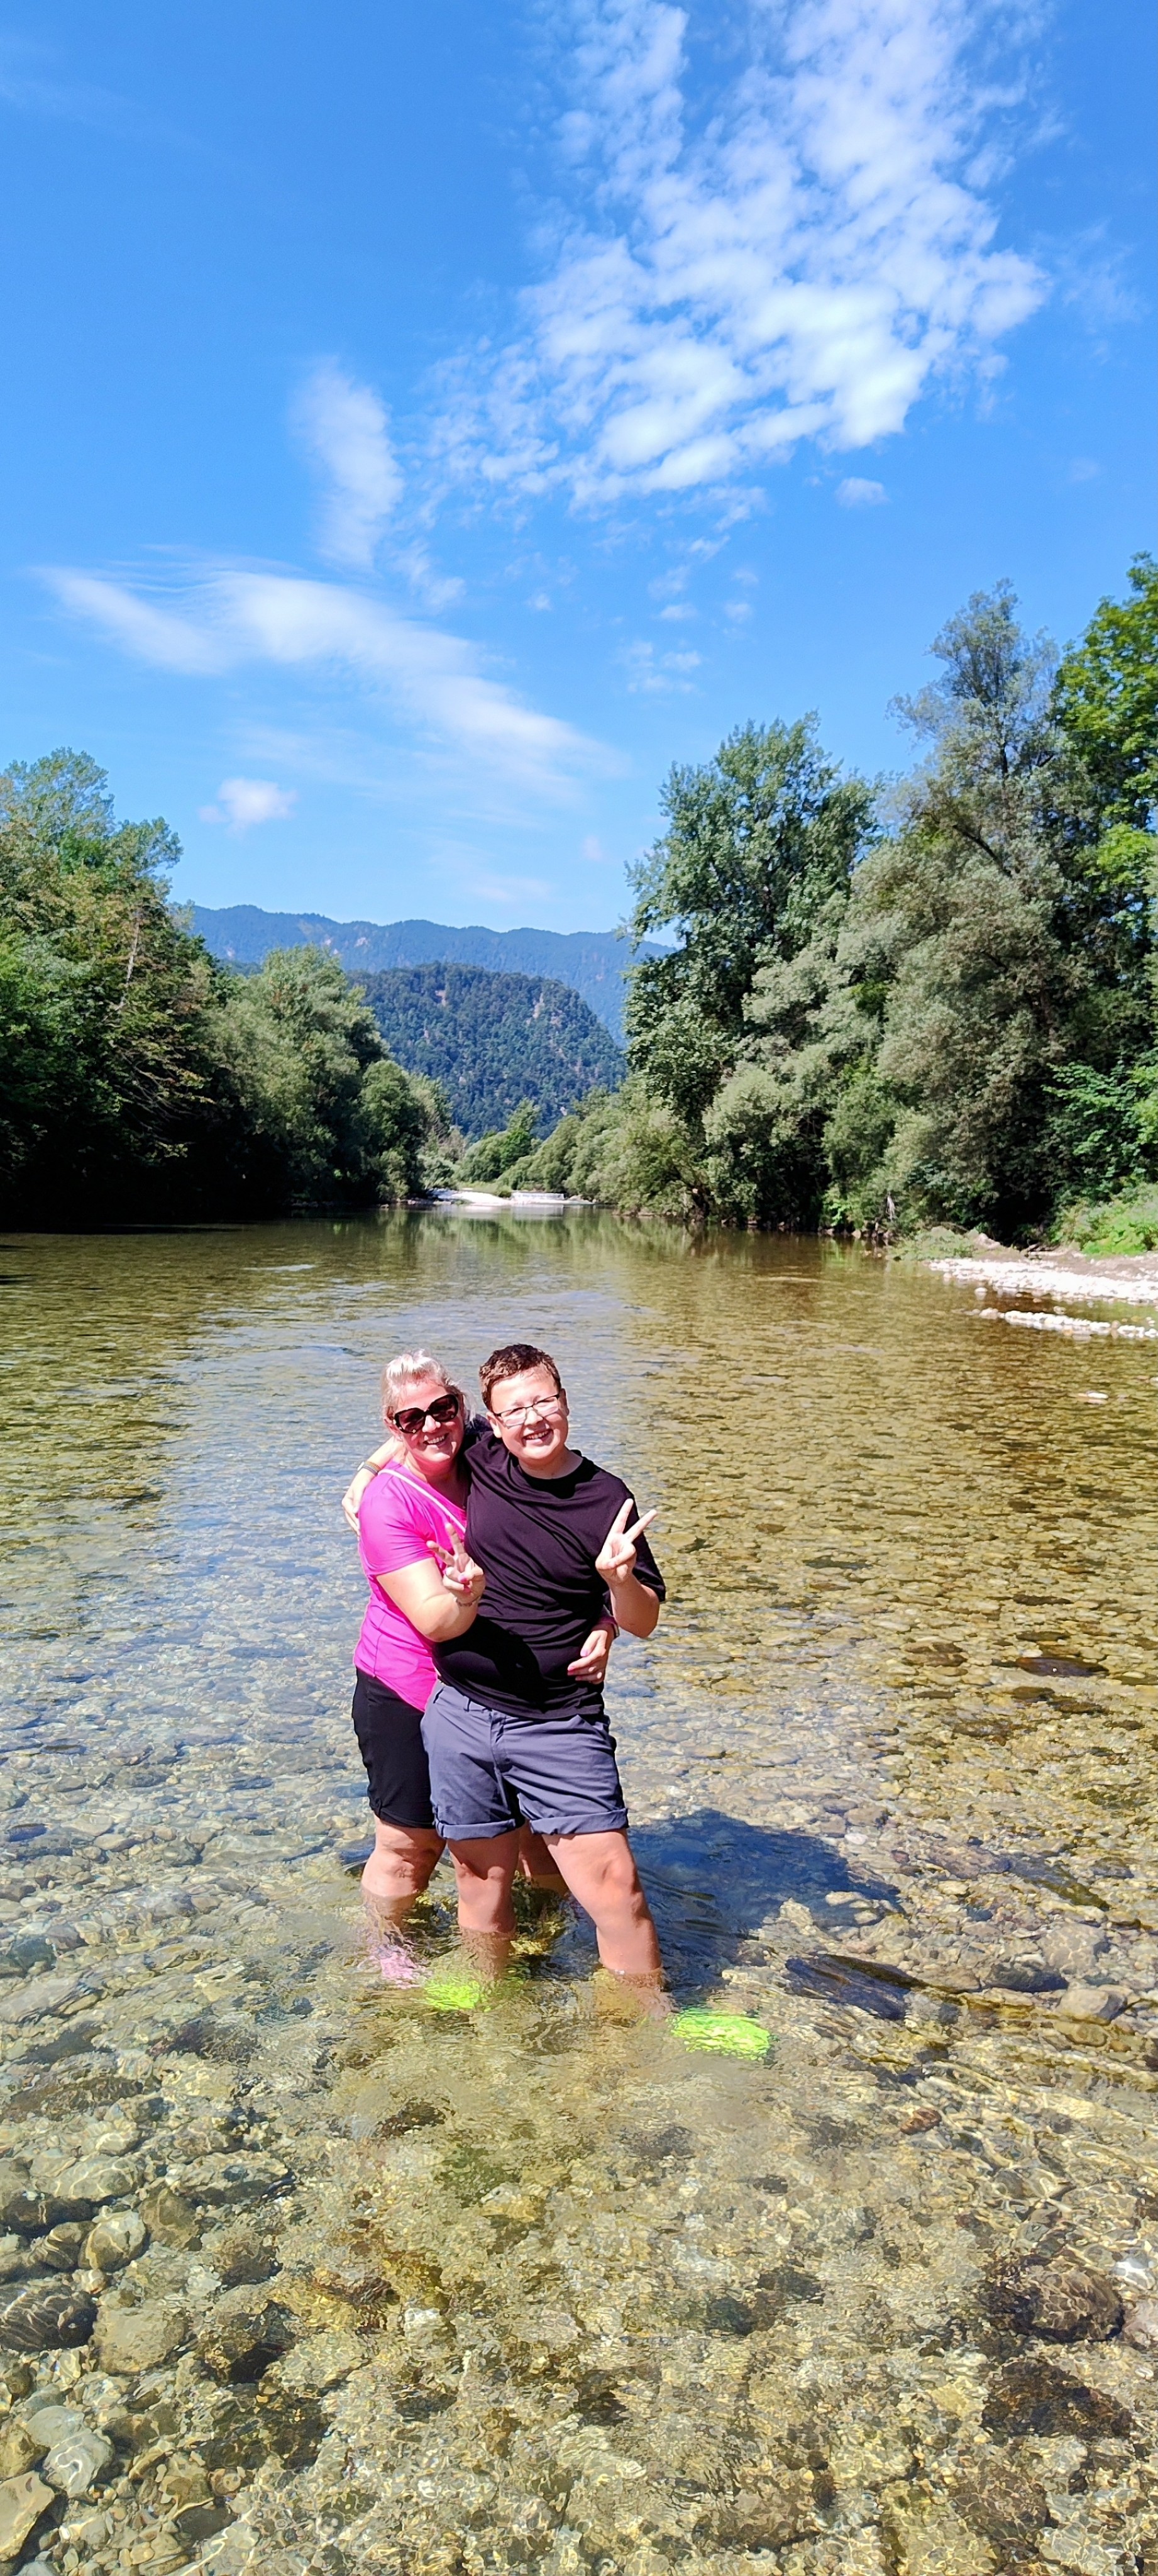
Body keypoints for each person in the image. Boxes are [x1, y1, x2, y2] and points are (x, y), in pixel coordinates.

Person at [348, 1341, 665, 2002]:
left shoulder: (584, 1489)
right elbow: (437, 1619)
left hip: (554, 1714)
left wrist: (612, 1600)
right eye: (514, 1409)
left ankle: (639, 2024)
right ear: (495, 1419)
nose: (530, 1419)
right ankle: (440, 1985)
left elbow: (638, 1613)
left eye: (543, 1401)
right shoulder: (449, 1472)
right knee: (439, 1859)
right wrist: (367, 1473)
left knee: (598, 1877)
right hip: (441, 1701)